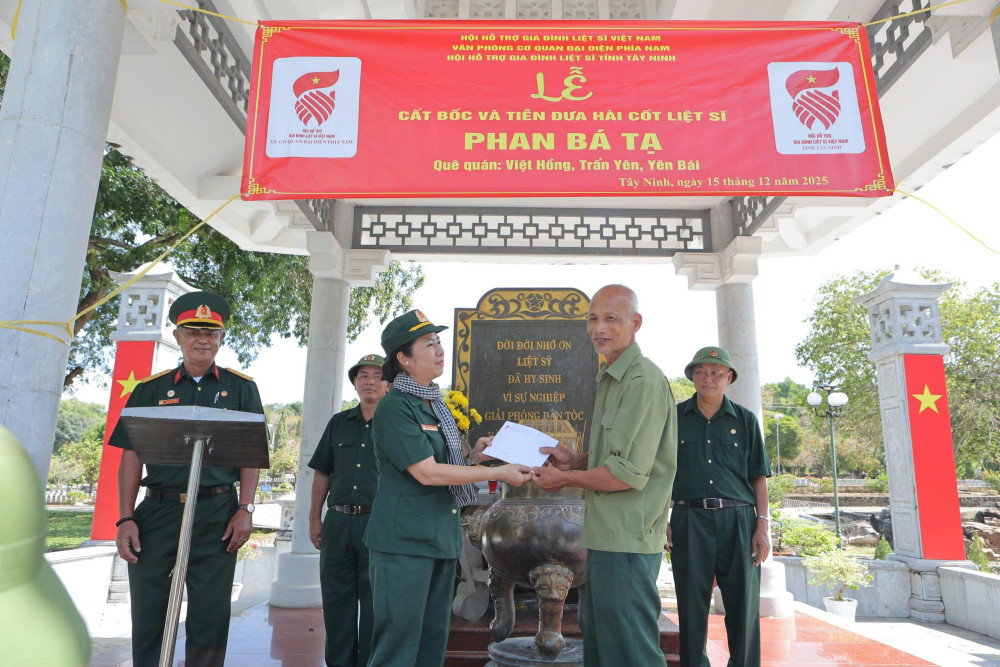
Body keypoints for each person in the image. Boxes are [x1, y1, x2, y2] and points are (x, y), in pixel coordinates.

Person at [365, 309, 532, 667]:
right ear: (404, 358)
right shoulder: (395, 407)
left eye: (439, 342)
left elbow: (444, 464)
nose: (440, 350)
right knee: (398, 645)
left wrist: (475, 456)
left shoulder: (434, 404)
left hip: (439, 538)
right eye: (429, 344)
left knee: (431, 642)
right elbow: (427, 473)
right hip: (404, 544)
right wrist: (499, 473)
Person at [526, 284, 677, 667]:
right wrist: (574, 461)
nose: (599, 328)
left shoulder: (641, 381)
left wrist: (563, 480)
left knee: (631, 652)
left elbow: (627, 474)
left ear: (635, 323)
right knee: (604, 647)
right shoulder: (613, 376)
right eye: (593, 318)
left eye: (611, 318)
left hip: (627, 540)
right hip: (607, 537)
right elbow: (619, 455)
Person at [110, 291, 263, 667]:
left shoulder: (241, 388)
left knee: (210, 614)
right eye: (193, 332)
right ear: (177, 336)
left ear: (221, 338)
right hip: (158, 511)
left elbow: (251, 455)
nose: (202, 340)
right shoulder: (149, 389)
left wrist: (245, 509)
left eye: (211, 333)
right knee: (149, 610)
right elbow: (130, 455)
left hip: (217, 511)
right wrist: (126, 517)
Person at [668, 346, 771, 667]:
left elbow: (758, 477)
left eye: (716, 373)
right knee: (690, 605)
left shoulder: (746, 419)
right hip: (688, 518)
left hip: (738, 520)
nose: (708, 379)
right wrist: (662, 519)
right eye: (701, 372)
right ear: (692, 377)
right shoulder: (674, 418)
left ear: (729, 378)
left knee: (743, 606)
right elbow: (662, 473)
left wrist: (763, 525)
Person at [307, 353, 388, 667]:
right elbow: (322, 472)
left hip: (377, 523)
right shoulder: (338, 423)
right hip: (338, 522)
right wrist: (314, 518)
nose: (370, 382)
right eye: (363, 375)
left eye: (377, 376)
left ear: (389, 384)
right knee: (336, 601)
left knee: (374, 604)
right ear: (354, 382)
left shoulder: (396, 425)